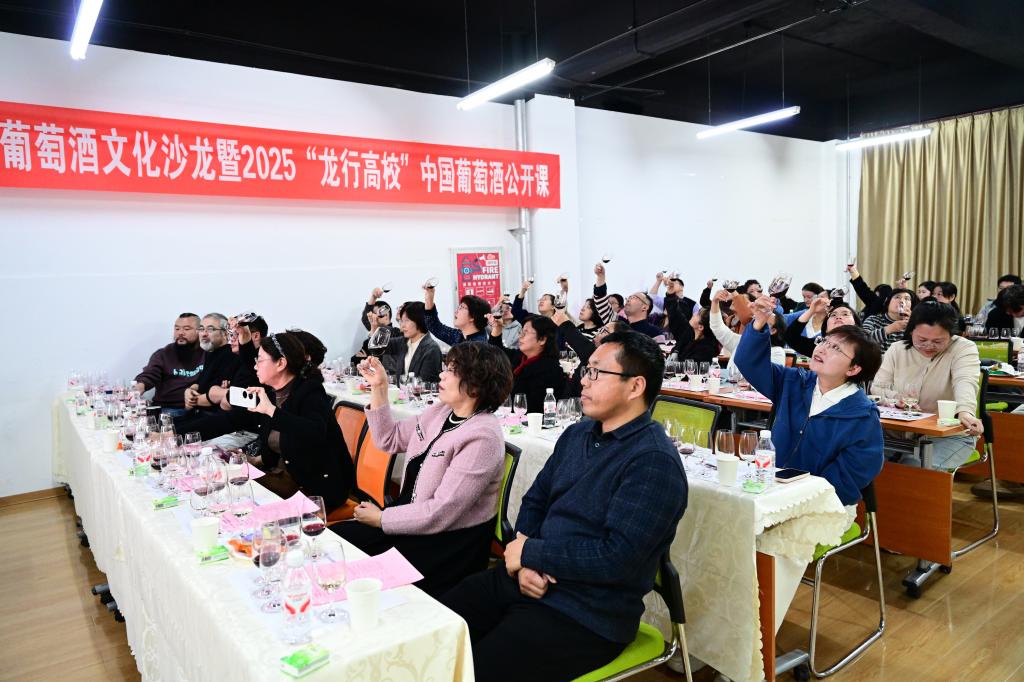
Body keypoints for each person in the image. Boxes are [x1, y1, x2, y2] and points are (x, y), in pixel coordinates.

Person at [439, 331, 687, 681]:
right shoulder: (578, 434)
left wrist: (531, 554)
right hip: (529, 580)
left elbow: (617, 558)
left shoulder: (652, 461)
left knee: (476, 671)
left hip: (586, 613)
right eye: (586, 370)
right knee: (435, 629)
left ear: (635, 386)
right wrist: (525, 564)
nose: (584, 380)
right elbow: (535, 500)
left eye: (597, 372)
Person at [334, 344, 513, 596]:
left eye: (451, 371)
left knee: (361, 578)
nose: (441, 375)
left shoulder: (482, 437)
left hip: (446, 541)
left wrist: (382, 519)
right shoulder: (440, 412)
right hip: (410, 518)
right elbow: (388, 439)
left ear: (475, 385)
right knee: (334, 542)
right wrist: (379, 387)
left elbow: (441, 512)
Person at [736, 296, 884, 506]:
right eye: (824, 341)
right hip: (771, 491)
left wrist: (800, 496)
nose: (822, 349)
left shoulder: (862, 414)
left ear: (853, 369)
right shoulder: (794, 382)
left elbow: (852, 474)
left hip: (819, 503)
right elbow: (749, 363)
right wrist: (759, 322)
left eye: (836, 349)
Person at [244, 332, 353, 510]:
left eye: (260, 360)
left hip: (317, 489)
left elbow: (314, 432)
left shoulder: (310, 391)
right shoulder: (273, 393)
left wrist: (271, 411)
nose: (255, 366)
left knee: (246, 505)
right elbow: (275, 442)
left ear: (281, 363)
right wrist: (255, 460)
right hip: (286, 479)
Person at [873, 302, 982, 470]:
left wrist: (965, 411)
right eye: (922, 340)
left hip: (946, 435)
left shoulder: (963, 348)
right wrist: (897, 398)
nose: (929, 346)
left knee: (915, 467)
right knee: (868, 461)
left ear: (951, 335)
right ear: (911, 331)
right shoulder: (897, 350)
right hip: (897, 432)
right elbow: (877, 388)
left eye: (938, 341)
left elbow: (965, 381)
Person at [489, 314, 566, 412]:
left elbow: (533, 407)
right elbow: (495, 353)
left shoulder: (550, 370)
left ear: (542, 339)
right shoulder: (520, 357)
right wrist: (497, 328)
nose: (520, 336)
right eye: (521, 331)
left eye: (526, 332)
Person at [134, 313, 206, 416]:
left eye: (186, 329)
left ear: (199, 331)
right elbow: (150, 374)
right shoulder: (163, 354)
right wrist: (140, 386)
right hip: (169, 409)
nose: (180, 333)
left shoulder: (208, 353)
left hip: (200, 408)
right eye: (177, 329)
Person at [554, 309, 631, 397]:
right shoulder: (588, 355)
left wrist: (565, 324)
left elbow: (586, 348)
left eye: (604, 331)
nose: (598, 332)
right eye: (601, 329)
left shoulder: (606, 360)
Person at [180, 313, 240, 419]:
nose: (203, 334)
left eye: (210, 329)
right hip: (199, 413)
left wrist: (192, 400)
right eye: (201, 329)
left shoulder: (230, 354)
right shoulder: (211, 352)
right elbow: (201, 383)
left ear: (225, 333)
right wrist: (189, 390)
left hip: (214, 417)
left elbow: (216, 395)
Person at [711, 289, 786, 370]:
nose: (758, 319)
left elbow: (763, 374)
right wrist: (715, 302)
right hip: (730, 378)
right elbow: (718, 328)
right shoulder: (742, 341)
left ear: (772, 330)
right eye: (757, 318)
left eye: (764, 319)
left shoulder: (777, 352)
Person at [388, 301, 443, 382]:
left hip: (419, 390)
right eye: (401, 321)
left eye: (406, 320)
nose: (402, 325)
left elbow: (426, 382)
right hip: (402, 389)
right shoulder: (403, 341)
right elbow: (378, 346)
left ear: (419, 320)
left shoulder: (432, 349)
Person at [784, 300, 861, 357]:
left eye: (845, 314)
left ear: (855, 324)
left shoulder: (862, 347)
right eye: (833, 315)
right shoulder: (820, 347)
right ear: (826, 328)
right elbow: (791, 337)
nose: (838, 317)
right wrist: (811, 311)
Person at [423, 282, 490, 346]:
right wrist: (429, 298)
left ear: (473, 317)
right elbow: (435, 326)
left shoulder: (477, 347)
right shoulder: (460, 335)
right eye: (459, 307)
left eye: (462, 308)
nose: (456, 312)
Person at [352, 292, 400, 365]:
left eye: (375, 313)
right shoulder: (371, 337)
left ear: (386, 315)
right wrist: (373, 297)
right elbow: (354, 360)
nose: (372, 316)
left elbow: (383, 361)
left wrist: (367, 359)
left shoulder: (396, 334)